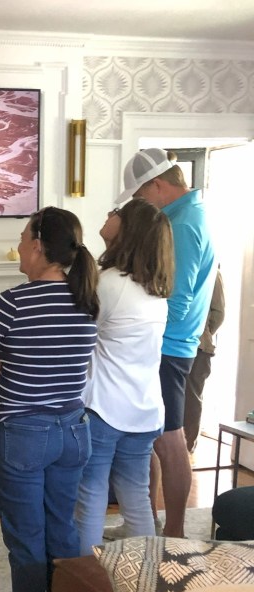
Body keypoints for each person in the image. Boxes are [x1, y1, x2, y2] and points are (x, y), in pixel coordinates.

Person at [0, 206, 98, 592]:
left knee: (25, 538)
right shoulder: (88, 301)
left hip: (22, 433)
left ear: (39, 247)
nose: (19, 248)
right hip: (74, 431)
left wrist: (3, 360)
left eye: (23, 239)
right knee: (62, 530)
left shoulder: (12, 303)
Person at [114, 148, 215, 537]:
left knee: (170, 439)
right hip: (164, 344)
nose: (139, 204)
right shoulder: (181, 217)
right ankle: (145, 523)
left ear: (157, 185)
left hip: (168, 347)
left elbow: (179, 295)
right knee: (151, 436)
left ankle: (173, 534)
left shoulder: (183, 222)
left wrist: (144, 335)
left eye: (139, 196)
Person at [75, 199, 174, 555]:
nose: (108, 215)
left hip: (104, 408)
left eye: (115, 212)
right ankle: (143, 574)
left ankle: (86, 579)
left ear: (127, 229)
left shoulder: (110, 284)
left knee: (91, 495)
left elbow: (80, 335)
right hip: (144, 408)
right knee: (136, 495)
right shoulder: (156, 289)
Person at [184, 270, 225, 453]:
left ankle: (186, 448)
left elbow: (219, 313)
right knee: (189, 398)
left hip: (198, 347)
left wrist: (204, 334)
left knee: (191, 399)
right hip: (185, 344)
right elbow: (218, 312)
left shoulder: (211, 272)